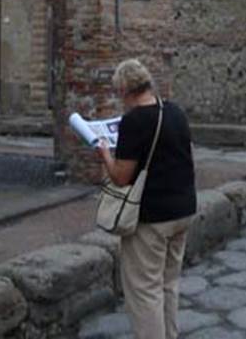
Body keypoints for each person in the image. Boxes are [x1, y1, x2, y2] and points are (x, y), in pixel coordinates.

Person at [96, 59, 197, 339]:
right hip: (183, 210)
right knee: (168, 284)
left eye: (120, 94)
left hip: (152, 218)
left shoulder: (134, 121)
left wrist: (104, 153)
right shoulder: (175, 112)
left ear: (126, 90)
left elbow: (121, 176)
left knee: (144, 292)